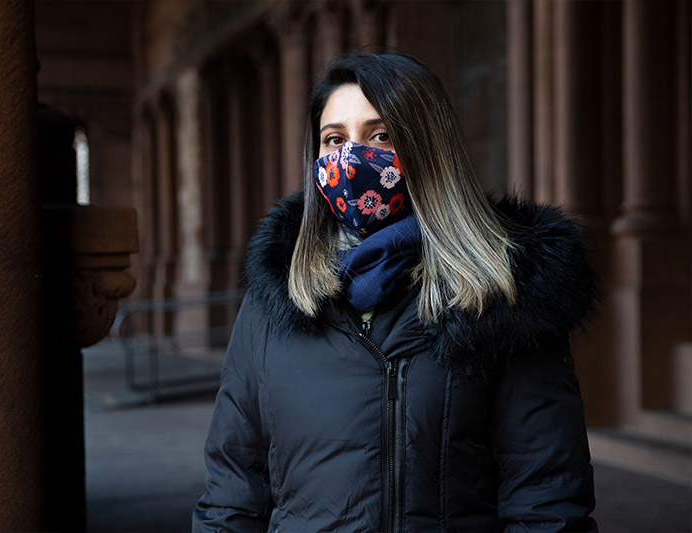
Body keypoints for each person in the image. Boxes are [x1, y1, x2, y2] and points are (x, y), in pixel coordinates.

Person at [192, 52, 598, 532]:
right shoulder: (277, 297)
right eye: (334, 139)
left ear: (428, 146)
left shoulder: (505, 294)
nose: (352, 157)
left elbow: (546, 499)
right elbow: (232, 491)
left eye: (380, 135)